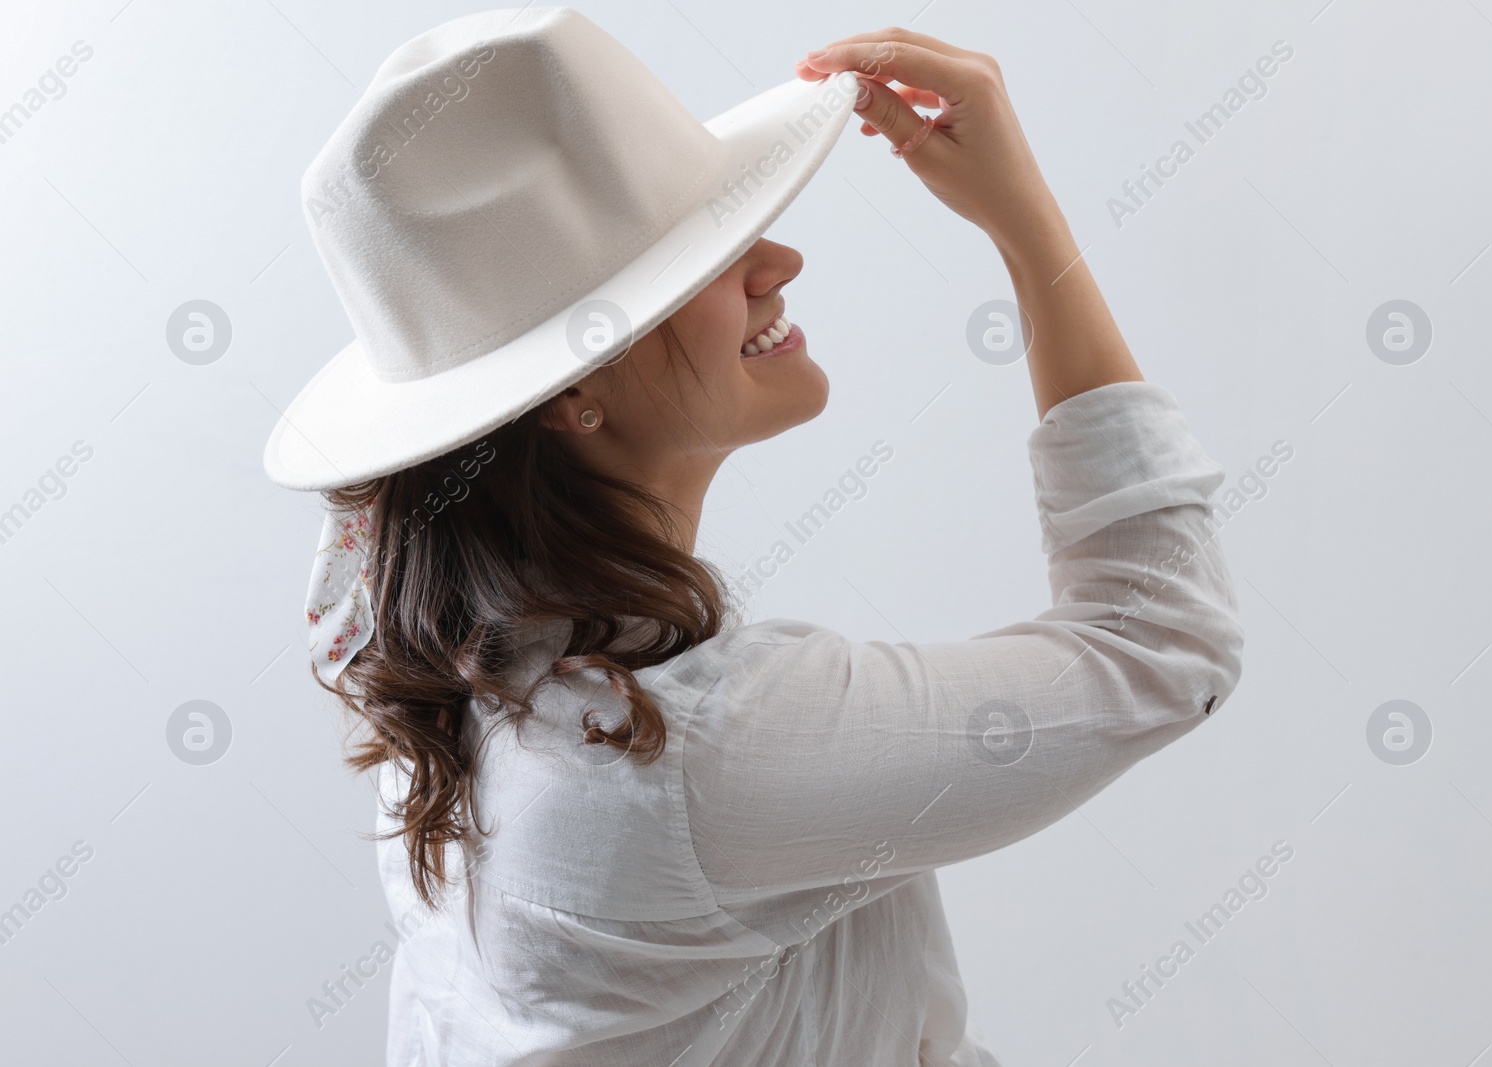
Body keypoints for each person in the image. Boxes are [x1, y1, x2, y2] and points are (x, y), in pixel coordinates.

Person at [265, 10, 1244, 1065]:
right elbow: (1164, 650)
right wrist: (1028, 228)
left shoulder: (447, 679)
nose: (778, 258)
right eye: (706, 254)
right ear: (572, 387)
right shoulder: (686, 748)